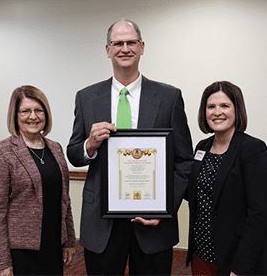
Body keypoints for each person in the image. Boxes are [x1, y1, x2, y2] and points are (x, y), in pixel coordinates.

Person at [67, 18, 193, 275]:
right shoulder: (87, 97)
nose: (125, 48)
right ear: (108, 50)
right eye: (118, 43)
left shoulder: (169, 97)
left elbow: (184, 161)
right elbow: (74, 153)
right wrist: (90, 145)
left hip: (152, 221)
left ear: (142, 47)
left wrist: (166, 208)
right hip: (101, 221)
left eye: (131, 42)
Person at [0, 85, 76, 276]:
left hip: (53, 245)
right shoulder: (1, 151)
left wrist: (69, 240)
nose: (33, 117)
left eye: (39, 110)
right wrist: (1, 262)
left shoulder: (55, 148)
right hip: (20, 252)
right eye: (25, 111)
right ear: (15, 115)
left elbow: (65, 200)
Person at [186, 81, 267, 275]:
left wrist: (240, 268)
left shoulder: (253, 149)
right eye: (211, 106)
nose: (217, 112)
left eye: (225, 106)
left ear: (237, 110)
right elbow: (193, 193)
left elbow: (259, 213)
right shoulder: (201, 147)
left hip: (234, 258)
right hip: (201, 253)